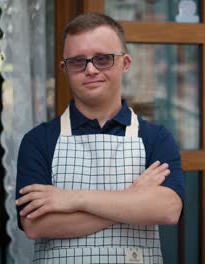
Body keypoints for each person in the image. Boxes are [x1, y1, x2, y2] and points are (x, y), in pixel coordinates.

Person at [15, 13, 184, 263]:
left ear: (125, 63)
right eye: (77, 61)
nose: (90, 69)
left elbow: (168, 210)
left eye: (103, 59)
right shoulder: (38, 141)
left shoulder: (155, 138)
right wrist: (133, 200)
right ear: (65, 69)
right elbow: (36, 225)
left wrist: (72, 198)